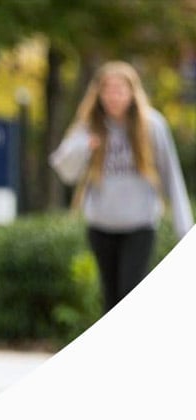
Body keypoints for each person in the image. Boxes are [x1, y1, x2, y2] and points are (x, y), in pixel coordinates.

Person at [50, 60, 193, 314]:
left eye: (120, 89)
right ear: (99, 94)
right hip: (101, 226)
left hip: (139, 225)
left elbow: (172, 176)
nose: (114, 96)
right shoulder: (89, 126)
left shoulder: (152, 126)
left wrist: (184, 228)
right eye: (108, 90)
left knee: (130, 294)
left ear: (132, 92)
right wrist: (86, 146)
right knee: (111, 297)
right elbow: (64, 169)